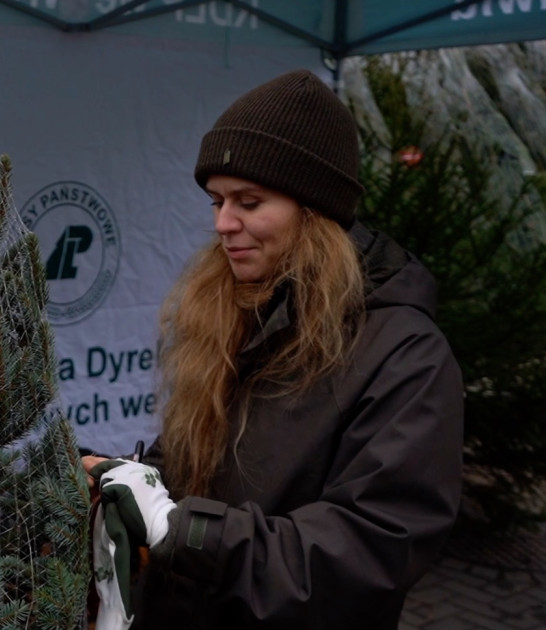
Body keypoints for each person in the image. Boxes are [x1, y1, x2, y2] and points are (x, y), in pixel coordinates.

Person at [84, 69, 463, 629]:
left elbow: (371, 550)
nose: (223, 223)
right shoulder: (231, 310)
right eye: (216, 201)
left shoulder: (407, 356)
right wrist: (130, 479)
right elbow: (195, 466)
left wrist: (178, 528)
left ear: (316, 211)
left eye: (249, 201)